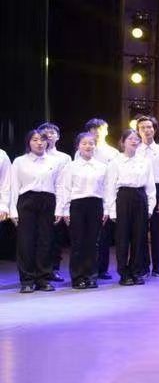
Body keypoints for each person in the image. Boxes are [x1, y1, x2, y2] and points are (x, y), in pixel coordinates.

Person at [3, 129, 65, 292]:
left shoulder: (54, 162)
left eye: (42, 140)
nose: (39, 143)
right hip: (26, 201)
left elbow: (60, 186)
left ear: (47, 142)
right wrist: (12, 211)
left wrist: (59, 209)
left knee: (46, 241)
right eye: (35, 140)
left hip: (48, 201)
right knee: (26, 242)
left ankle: (43, 278)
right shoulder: (19, 161)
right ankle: (27, 280)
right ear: (28, 142)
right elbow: (14, 186)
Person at [57, 132, 109, 289]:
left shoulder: (102, 167)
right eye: (84, 143)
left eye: (91, 143)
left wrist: (107, 209)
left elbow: (106, 189)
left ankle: (91, 276)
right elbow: (65, 189)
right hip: (77, 205)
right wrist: (65, 210)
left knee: (93, 243)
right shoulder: (70, 167)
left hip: (96, 204)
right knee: (78, 242)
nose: (88, 146)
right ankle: (78, 277)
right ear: (78, 146)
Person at [105, 129, 156, 286]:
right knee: (122, 238)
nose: (134, 141)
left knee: (139, 238)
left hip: (140, 197)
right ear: (123, 142)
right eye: (130, 139)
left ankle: (136, 271)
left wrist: (150, 207)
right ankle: (124, 272)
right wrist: (112, 210)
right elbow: (110, 187)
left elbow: (150, 186)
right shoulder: (115, 162)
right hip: (123, 198)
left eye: (136, 139)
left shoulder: (145, 162)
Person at [135, 116, 159, 278]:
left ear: (154, 129)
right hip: (140, 190)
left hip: (157, 189)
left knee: (156, 231)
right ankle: (143, 265)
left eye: (149, 127)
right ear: (138, 131)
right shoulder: (135, 150)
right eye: (142, 127)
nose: (146, 130)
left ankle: (157, 266)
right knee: (140, 230)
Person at [86, 118, 119, 280]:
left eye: (100, 129)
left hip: (106, 196)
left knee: (104, 235)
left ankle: (102, 269)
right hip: (87, 196)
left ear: (106, 131)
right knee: (88, 235)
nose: (97, 132)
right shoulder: (82, 150)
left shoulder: (113, 153)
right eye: (93, 129)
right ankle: (88, 268)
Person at [39, 122, 70, 283]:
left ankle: (54, 269)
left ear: (58, 136)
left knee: (56, 238)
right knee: (40, 236)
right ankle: (39, 269)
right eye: (44, 133)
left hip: (58, 200)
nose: (48, 136)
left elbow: (65, 183)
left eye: (51, 133)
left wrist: (64, 206)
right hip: (39, 199)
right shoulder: (34, 155)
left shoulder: (64, 158)